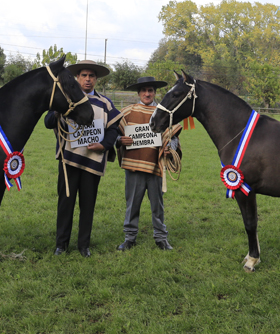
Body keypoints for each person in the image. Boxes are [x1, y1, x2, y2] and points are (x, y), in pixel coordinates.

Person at [44, 60, 121, 257]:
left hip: (92, 162)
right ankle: (61, 245)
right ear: (77, 78)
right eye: (84, 76)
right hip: (68, 160)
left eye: (92, 76)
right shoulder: (66, 99)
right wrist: (57, 110)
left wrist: (104, 145)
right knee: (65, 203)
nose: (88, 79)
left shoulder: (105, 103)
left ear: (96, 79)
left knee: (88, 205)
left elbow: (113, 128)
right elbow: (48, 122)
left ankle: (83, 246)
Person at [116, 77, 182, 251]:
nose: (147, 94)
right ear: (138, 93)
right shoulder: (128, 112)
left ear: (155, 92)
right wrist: (119, 140)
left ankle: (161, 238)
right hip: (134, 166)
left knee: (157, 205)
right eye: (144, 90)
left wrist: (170, 147)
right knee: (132, 204)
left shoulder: (164, 113)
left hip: (156, 166)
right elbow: (112, 133)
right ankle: (129, 238)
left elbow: (173, 137)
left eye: (150, 90)